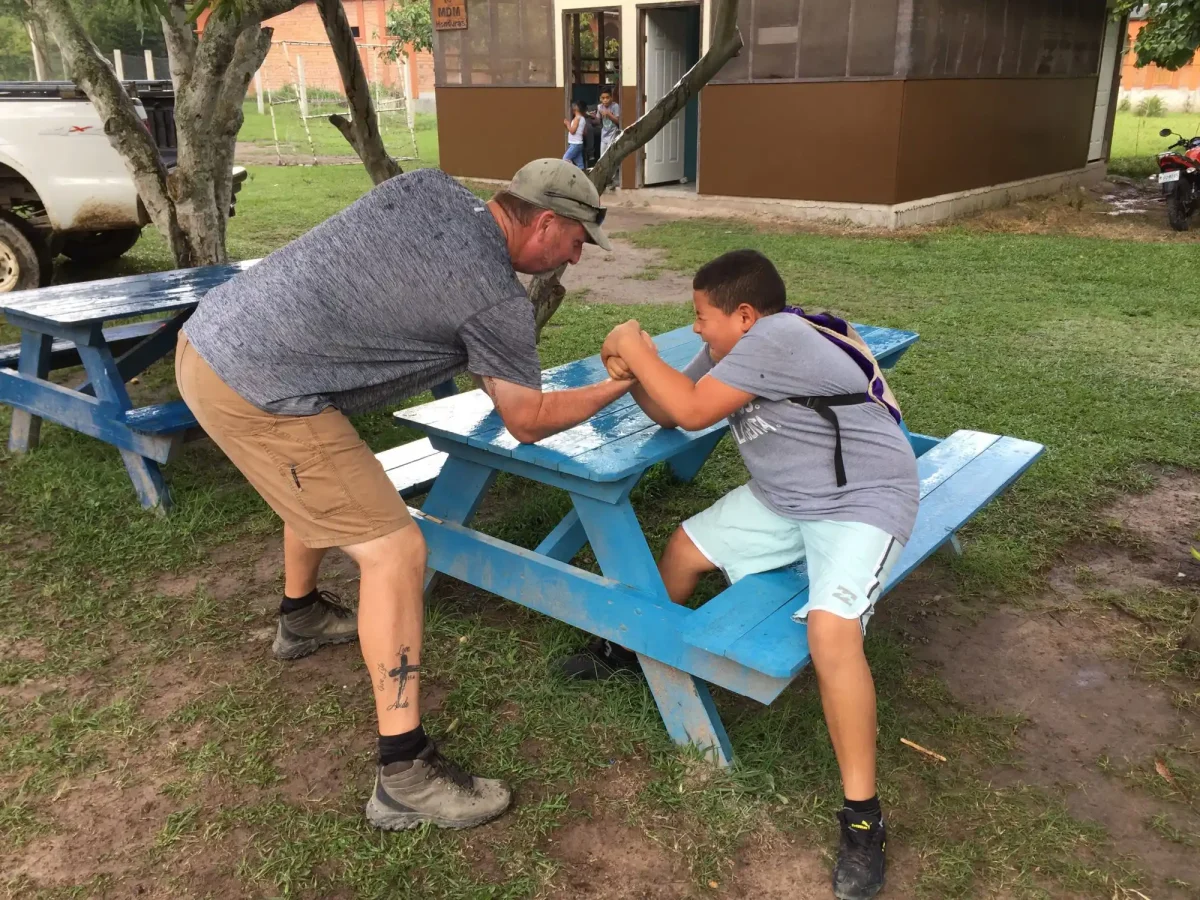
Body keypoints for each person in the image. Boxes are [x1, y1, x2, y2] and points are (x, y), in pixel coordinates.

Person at [175, 158, 626, 833]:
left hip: (212, 338)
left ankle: (300, 616)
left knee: (332, 473)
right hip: (259, 389)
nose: (576, 258)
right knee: (394, 550)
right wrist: (627, 384)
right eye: (576, 241)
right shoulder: (495, 299)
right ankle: (404, 775)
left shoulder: (428, 185)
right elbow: (527, 420)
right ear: (545, 222)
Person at [560, 250, 919, 900]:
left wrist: (634, 344)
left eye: (702, 316)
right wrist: (634, 370)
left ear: (745, 316)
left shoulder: (779, 335)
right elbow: (676, 408)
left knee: (832, 633)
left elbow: (695, 412)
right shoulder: (737, 350)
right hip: (787, 497)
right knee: (684, 548)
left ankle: (863, 819)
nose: (696, 329)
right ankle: (627, 651)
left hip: (860, 499)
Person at [596, 88, 621, 164]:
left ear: (611, 98)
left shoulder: (615, 106)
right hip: (604, 135)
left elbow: (618, 121)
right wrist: (591, 117)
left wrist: (609, 114)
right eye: (603, 98)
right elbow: (597, 120)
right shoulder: (599, 107)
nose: (605, 100)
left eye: (607, 97)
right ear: (600, 98)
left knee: (610, 155)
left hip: (613, 134)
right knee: (602, 156)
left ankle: (612, 175)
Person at [563, 101, 586, 169]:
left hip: (575, 144)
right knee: (580, 164)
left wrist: (567, 124)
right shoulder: (583, 118)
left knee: (565, 158)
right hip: (578, 143)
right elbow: (585, 132)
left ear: (577, 108)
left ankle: (573, 171)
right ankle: (582, 176)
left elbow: (572, 131)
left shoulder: (577, 118)